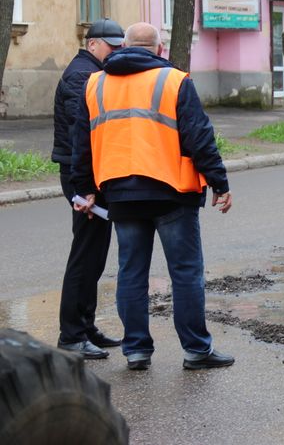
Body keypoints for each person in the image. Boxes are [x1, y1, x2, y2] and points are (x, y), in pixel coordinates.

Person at [71, 22, 235, 371]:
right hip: (171, 192)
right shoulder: (174, 81)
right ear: (160, 49)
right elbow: (199, 137)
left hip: (120, 194)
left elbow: (81, 143)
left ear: (122, 47)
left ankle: (136, 351)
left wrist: (83, 188)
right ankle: (196, 350)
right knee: (186, 272)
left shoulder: (95, 84)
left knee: (131, 272)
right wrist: (219, 182)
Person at [52, 18, 125, 360]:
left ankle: (86, 326)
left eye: (120, 46)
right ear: (93, 43)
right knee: (84, 255)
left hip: (90, 175)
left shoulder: (92, 71)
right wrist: (86, 187)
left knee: (95, 254)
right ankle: (71, 334)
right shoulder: (81, 75)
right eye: (112, 46)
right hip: (82, 176)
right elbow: (82, 135)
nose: (116, 52)